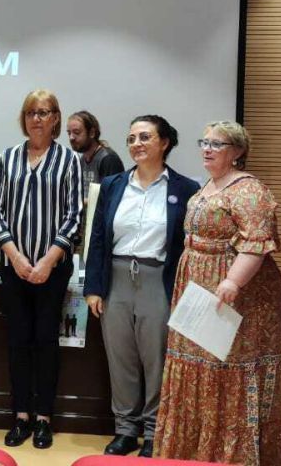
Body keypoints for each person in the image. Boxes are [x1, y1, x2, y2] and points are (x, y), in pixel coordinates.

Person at [155, 121, 281, 465]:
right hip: (198, 289)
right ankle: (192, 453)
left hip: (236, 295)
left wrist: (232, 281)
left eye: (217, 144)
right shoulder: (208, 186)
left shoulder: (249, 190)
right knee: (196, 366)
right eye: (204, 142)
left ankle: (229, 457)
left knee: (225, 369)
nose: (207, 149)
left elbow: (256, 244)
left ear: (238, 151)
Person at [84, 115, 199, 458]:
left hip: (157, 279)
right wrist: (94, 287)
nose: (136, 144)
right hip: (116, 279)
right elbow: (98, 238)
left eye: (145, 137)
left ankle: (153, 431)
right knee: (121, 358)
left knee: (156, 358)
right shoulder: (113, 184)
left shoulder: (184, 189)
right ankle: (125, 429)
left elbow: (186, 246)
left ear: (164, 143)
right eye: (132, 138)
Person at [0, 89, 83, 450]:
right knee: (17, 342)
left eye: (44, 113)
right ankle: (20, 416)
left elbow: (74, 215)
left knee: (45, 341)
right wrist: (15, 255)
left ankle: (43, 417)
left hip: (51, 270)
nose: (36, 119)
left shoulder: (69, 160)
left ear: (56, 118)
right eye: (31, 113)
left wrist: (47, 261)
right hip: (13, 267)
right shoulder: (8, 157)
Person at [67, 110, 124, 187]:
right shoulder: (82, 160)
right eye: (69, 133)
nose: (71, 137)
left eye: (76, 132)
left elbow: (113, 192)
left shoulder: (108, 159)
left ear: (92, 133)